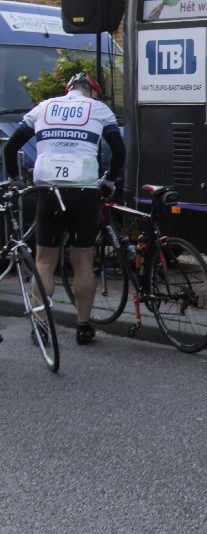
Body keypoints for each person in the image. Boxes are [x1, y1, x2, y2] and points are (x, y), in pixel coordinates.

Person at [3, 73, 126, 345]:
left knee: (44, 261)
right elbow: (119, 150)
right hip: (84, 190)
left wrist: (16, 179)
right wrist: (110, 180)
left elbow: (10, 148)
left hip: (48, 190)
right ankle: (83, 326)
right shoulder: (98, 109)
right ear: (92, 92)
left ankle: (41, 327)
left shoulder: (44, 107)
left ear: (67, 89)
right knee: (83, 262)